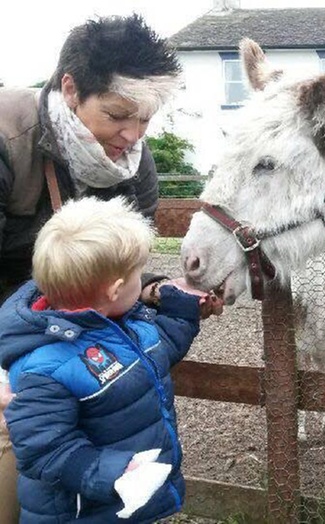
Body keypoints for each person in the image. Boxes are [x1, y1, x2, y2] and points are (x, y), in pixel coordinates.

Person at [0, 15, 224, 522]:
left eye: (145, 119)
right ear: (71, 89)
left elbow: (123, 267)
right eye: (119, 114)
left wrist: (161, 291)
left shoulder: (133, 164)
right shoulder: (7, 137)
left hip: (75, 331)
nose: (133, 134)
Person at [0, 196, 201, 523]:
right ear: (115, 289)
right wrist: (115, 475)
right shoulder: (43, 366)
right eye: (140, 275)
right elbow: (44, 449)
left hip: (124, 505)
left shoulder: (121, 323)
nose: (145, 281)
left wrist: (182, 311)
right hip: (82, 513)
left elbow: (156, 350)